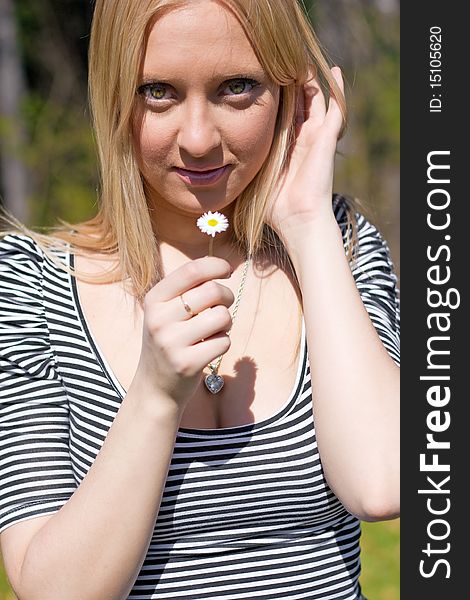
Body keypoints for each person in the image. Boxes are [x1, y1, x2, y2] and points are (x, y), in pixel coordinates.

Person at [0, 0, 400, 598]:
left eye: (236, 89)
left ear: (291, 94)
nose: (197, 139)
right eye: (157, 92)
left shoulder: (337, 247)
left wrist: (307, 219)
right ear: (114, 95)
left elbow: (383, 483)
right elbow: (53, 590)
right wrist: (156, 393)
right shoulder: (33, 285)